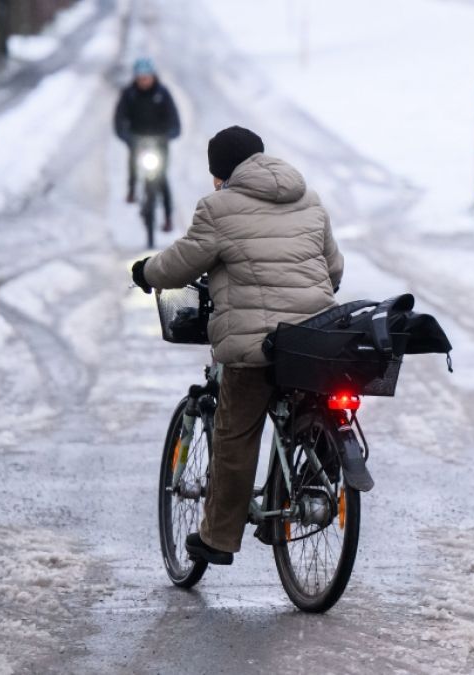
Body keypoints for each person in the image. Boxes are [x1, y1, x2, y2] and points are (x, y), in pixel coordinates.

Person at [130, 126, 343, 565]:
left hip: (256, 346)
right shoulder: (309, 198)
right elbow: (334, 268)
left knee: (235, 434)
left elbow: (182, 262)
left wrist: (146, 272)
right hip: (315, 339)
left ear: (220, 173)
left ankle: (218, 538)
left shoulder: (218, 207)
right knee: (307, 402)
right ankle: (309, 482)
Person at [113, 57, 181, 232]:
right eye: (140, 78)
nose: (144, 81)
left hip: (160, 142)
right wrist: (126, 136)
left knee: (162, 179)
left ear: (153, 76)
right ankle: (132, 191)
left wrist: (171, 133)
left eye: (147, 77)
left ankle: (167, 218)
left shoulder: (163, 93)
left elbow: (174, 120)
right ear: (136, 78)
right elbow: (119, 119)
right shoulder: (129, 94)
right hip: (138, 141)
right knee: (133, 165)